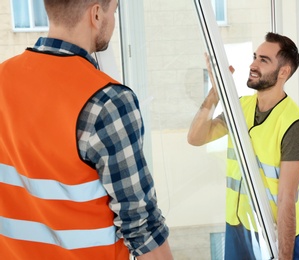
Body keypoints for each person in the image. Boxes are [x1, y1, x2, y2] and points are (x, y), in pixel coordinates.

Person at [0, 0, 173, 259]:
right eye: (113, 11)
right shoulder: (109, 101)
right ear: (96, 14)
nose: (113, 21)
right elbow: (142, 227)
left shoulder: (4, 77)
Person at [187, 32, 299, 259]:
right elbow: (196, 137)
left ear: (283, 72)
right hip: (236, 226)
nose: (253, 64)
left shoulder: (295, 125)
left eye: (263, 60)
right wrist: (216, 92)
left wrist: (284, 256)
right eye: (255, 57)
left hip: (271, 233)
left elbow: (286, 198)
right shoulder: (241, 108)